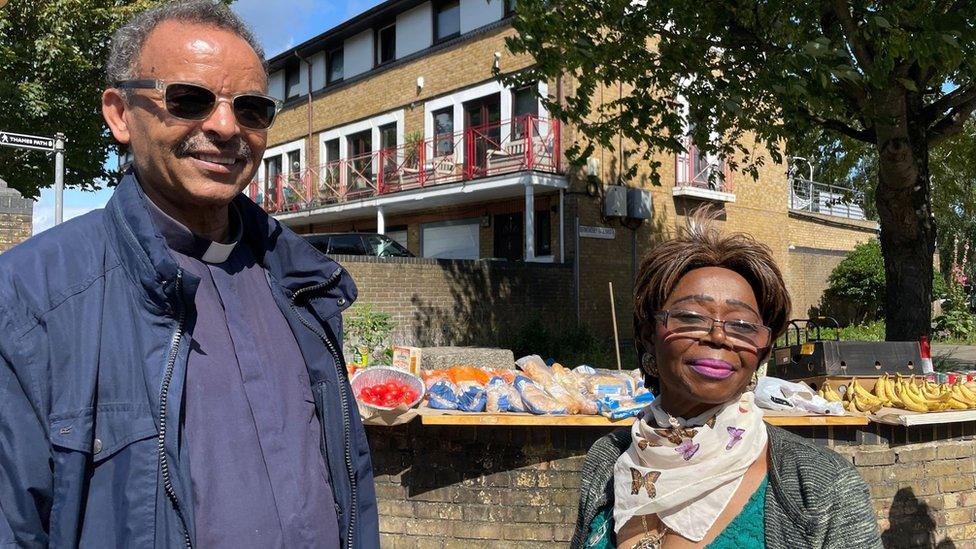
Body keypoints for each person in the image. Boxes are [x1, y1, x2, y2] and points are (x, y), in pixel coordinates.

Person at [0, 2, 378, 548]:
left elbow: (349, 484)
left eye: (250, 108)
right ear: (120, 114)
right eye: (189, 99)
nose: (225, 126)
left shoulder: (305, 288)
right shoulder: (27, 302)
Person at [571, 214, 881, 549]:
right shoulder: (609, 460)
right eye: (690, 317)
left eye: (743, 325)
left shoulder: (824, 488)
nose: (718, 336)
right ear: (649, 335)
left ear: (761, 351)